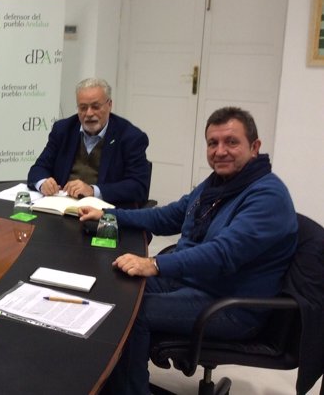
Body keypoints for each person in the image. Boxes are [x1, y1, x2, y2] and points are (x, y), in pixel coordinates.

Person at [78, 106, 298, 394]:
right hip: (193, 282)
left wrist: (154, 264)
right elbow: (168, 216)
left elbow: (222, 254)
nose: (220, 151)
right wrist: (110, 215)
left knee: (133, 313)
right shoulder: (218, 184)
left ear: (254, 147)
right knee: (116, 289)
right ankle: (114, 381)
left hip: (231, 304)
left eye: (231, 142)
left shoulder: (267, 196)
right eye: (213, 143)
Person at [27, 77, 150, 207]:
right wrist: (43, 183)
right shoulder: (63, 130)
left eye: (95, 107)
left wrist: (93, 191)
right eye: (83, 107)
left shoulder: (130, 137)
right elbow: (38, 168)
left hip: (104, 213)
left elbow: (138, 186)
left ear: (109, 105)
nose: (89, 113)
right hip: (63, 207)